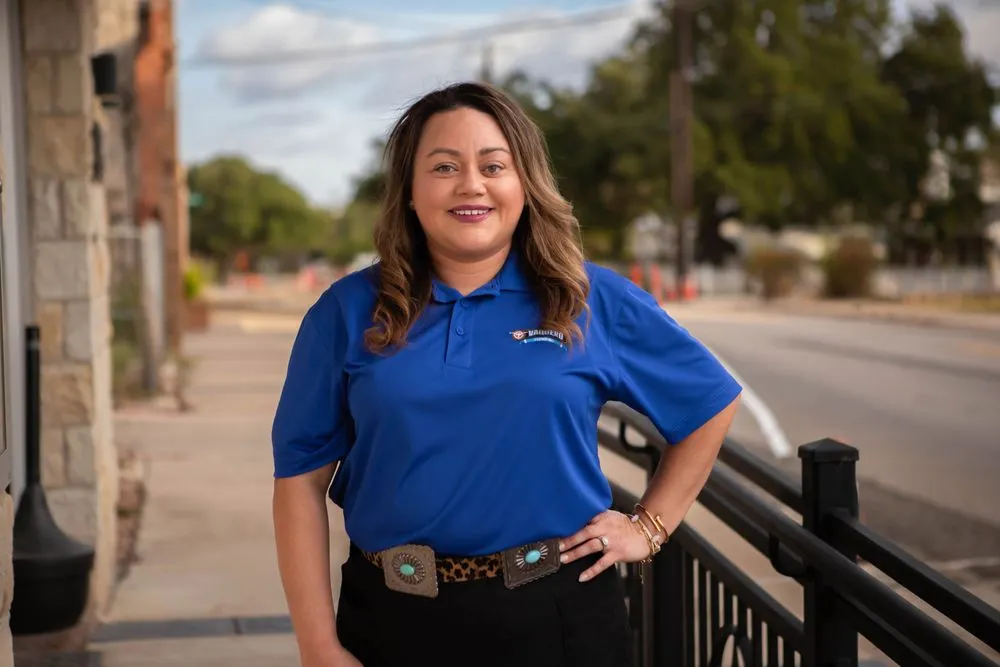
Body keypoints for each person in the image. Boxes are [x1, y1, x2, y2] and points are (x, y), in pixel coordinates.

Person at [271, 81, 742, 667]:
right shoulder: (344, 312)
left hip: (559, 618)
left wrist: (650, 526)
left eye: (494, 165)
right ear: (411, 192)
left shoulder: (587, 298)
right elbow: (299, 483)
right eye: (444, 167)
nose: (471, 184)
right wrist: (318, 647)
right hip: (391, 619)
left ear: (525, 185)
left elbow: (710, 401)